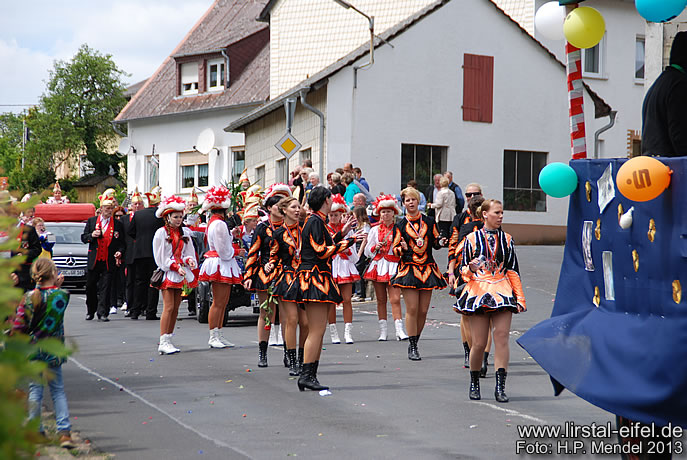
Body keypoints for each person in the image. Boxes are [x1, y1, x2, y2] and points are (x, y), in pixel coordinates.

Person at [283, 187, 361, 391]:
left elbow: (323, 244)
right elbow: (321, 251)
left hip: (315, 277)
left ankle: (310, 375)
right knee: (316, 330)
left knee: (318, 330)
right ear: (326, 200)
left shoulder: (316, 220)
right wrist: (350, 241)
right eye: (330, 199)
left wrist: (343, 234)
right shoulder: (315, 221)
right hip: (315, 279)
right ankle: (306, 375)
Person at [454, 199, 526, 402]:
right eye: (496, 213)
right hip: (479, 290)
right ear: (485, 214)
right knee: (479, 343)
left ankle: (500, 387)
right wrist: (471, 268)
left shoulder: (507, 239)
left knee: (502, 337)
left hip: (502, 289)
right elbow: (463, 271)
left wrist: (519, 297)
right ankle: (474, 381)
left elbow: (512, 270)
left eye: (502, 213)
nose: (500, 216)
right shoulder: (471, 239)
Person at [11, 258, 74, 449]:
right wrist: (58, 286)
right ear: (53, 274)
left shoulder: (29, 297)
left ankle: (35, 431)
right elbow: (57, 296)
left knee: (35, 391)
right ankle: (64, 433)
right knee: (58, 391)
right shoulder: (62, 295)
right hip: (53, 351)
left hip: (33, 351)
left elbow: (19, 325)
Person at [391, 187, 447, 361]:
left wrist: (441, 242)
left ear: (418, 201)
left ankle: (415, 340)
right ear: (403, 204)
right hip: (408, 269)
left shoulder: (429, 221)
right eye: (407, 200)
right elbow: (394, 249)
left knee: (423, 311)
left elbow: (436, 242)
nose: (411, 202)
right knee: (412, 308)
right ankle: (413, 345)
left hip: (427, 269)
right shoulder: (400, 225)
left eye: (413, 199)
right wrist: (402, 248)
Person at [244, 184, 289, 365]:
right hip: (265, 274)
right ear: (269, 208)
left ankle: (289, 353)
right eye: (278, 205)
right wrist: (248, 276)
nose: (282, 208)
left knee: (286, 316)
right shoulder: (262, 228)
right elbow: (253, 252)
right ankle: (262, 354)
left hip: (285, 274)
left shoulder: (290, 227)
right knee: (266, 313)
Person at [152, 196, 198, 354]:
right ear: (167, 217)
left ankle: (169, 339)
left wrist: (189, 260)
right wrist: (175, 266)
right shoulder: (161, 233)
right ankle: (163, 340)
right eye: (175, 217)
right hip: (168, 273)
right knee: (169, 307)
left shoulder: (185, 232)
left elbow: (187, 252)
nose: (179, 220)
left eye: (180, 217)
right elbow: (160, 258)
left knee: (176, 308)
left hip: (180, 272)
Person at [269, 196, 310, 376]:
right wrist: (270, 265)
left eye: (298, 207)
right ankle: (292, 361)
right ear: (284, 210)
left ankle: (302, 359)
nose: (297, 210)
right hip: (287, 279)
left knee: (306, 323)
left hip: (305, 279)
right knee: (291, 319)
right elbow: (274, 255)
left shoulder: (305, 229)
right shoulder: (278, 233)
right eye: (293, 207)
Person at [199, 186, 243, 349]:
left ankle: (218, 333)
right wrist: (236, 251)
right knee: (219, 302)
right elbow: (223, 250)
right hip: (220, 262)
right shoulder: (219, 224)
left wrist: (232, 235)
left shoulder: (215, 223)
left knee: (222, 302)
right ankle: (213, 335)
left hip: (220, 262)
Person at [448, 194, 487, 372]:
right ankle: (479, 356)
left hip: (468, 273)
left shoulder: (467, 228)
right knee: (481, 316)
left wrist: (453, 271)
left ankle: (473, 353)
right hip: (481, 274)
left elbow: (456, 249)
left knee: (467, 315)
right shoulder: (463, 223)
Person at [364, 195, 409, 341]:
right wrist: (374, 247)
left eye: (389, 211)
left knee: (395, 298)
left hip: (393, 265)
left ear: (394, 213)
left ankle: (399, 330)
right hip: (378, 265)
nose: (386, 214)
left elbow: (404, 248)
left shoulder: (399, 229)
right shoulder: (374, 230)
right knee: (381, 299)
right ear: (379, 213)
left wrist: (403, 248)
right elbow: (367, 251)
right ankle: (383, 331)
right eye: (383, 212)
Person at [81, 189, 125, 322]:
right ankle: (90, 310)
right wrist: (91, 236)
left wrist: (120, 251)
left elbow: (122, 243)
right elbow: (83, 238)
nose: (109, 211)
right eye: (107, 208)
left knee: (106, 287)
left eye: (111, 208)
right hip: (95, 260)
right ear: (101, 209)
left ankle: (103, 312)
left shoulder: (117, 224)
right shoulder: (92, 221)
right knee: (90, 286)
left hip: (108, 260)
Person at [642, 31, 687, 157]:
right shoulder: (679, 85)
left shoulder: (661, 82)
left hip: (654, 162)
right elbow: (680, 135)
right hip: (671, 164)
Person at [327, 195, 360, 344]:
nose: (334, 217)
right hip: (331, 267)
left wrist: (347, 251)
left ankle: (348, 332)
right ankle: (333, 332)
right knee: (331, 301)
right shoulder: (324, 229)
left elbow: (355, 257)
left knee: (347, 300)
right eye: (331, 215)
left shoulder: (349, 231)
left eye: (336, 215)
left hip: (345, 267)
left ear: (342, 214)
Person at [128, 186, 164, 320]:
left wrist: (139, 240)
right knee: (154, 282)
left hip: (140, 253)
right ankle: (150, 311)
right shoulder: (160, 216)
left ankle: (135, 311)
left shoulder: (138, 215)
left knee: (139, 282)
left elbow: (130, 231)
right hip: (155, 253)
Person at [119, 187, 145, 317]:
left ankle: (142, 306)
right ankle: (130, 305)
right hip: (129, 254)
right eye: (135, 204)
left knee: (142, 281)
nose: (137, 206)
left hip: (142, 254)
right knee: (130, 282)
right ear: (131, 206)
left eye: (139, 204)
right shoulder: (124, 219)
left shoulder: (145, 218)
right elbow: (122, 238)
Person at [109, 207, 127, 315]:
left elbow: (123, 242)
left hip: (123, 256)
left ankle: (125, 300)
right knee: (112, 281)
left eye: (121, 216)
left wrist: (120, 252)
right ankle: (113, 304)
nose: (119, 218)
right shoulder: (112, 225)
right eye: (117, 216)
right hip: (111, 257)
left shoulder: (123, 225)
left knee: (124, 280)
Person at [351, 205, 371, 302]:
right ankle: (356, 292)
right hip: (356, 248)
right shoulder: (357, 226)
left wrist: (359, 252)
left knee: (358, 271)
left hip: (361, 249)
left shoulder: (365, 225)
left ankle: (360, 294)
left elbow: (365, 240)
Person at [428, 176, 456, 240]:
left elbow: (439, 204)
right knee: (449, 230)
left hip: (443, 215)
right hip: (451, 214)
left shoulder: (440, 193)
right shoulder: (452, 193)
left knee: (443, 230)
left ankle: (443, 241)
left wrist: (431, 205)